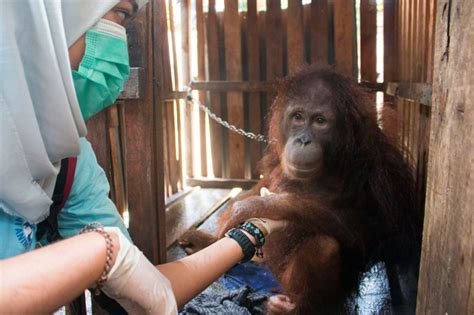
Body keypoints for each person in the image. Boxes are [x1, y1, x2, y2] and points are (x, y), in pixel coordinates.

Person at [0, 0, 288, 314]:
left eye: (125, 20)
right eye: (120, 12)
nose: (118, 45)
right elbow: (109, 255)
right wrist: (96, 253)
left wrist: (252, 231)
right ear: (42, 14)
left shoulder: (68, 163)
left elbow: (144, 289)